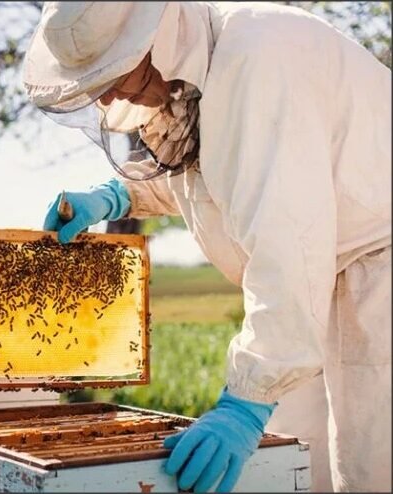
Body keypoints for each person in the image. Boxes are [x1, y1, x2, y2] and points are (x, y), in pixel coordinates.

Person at [24, 2, 391, 492]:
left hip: (376, 272)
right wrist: (116, 197)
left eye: (112, 73)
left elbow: (290, 237)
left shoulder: (259, 62)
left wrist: (245, 403)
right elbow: (214, 171)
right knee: (292, 462)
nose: (109, 94)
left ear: (151, 39)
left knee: (370, 469)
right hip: (314, 282)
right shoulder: (198, 70)